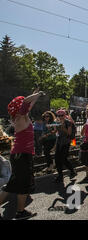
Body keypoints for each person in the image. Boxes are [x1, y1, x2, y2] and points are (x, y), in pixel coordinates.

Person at [0, 90, 45, 220]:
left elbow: (28, 105)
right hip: (22, 155)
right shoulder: (21, 116)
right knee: (22, 185)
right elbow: (26, 102)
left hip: (20, 154)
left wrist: (35, 96)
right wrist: (38, 94)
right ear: (20, 107)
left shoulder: (20, 116)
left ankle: (21, 211)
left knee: (13, 184)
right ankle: (20, 212)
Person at [53, 109, 76, 183]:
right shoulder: (57, 122)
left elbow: (69, 134)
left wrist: (63, 128)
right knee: (57, 159)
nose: (60, 117)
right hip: (59, 141)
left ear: (65, 115)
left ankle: (72, 170)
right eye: (59, 116)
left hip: (66, 142)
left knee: (63, 158)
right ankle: (60, 175)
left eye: (62, 115)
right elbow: (56, 132)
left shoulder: (68, 122)